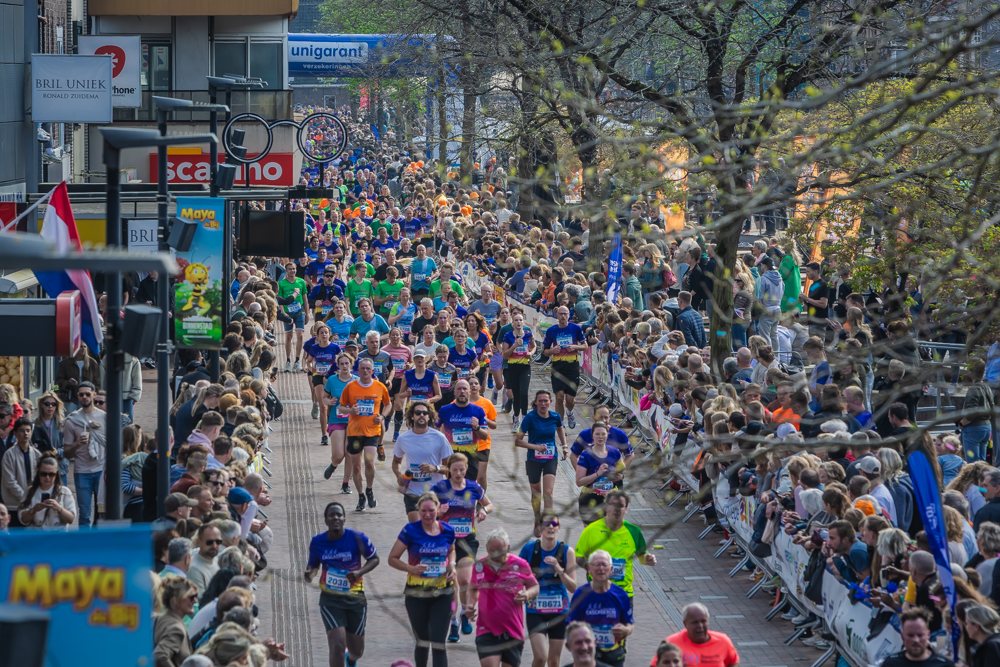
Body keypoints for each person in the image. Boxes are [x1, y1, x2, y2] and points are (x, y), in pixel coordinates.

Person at [305, 501, 381, 667]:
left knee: (357, 650)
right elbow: (313, 565)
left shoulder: (357, 538)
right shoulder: (318, 542)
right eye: (331, 515)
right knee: (338, 644)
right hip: (330, 599)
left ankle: (351, 660)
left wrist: (359, 572)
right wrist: (309, 573)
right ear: (325, 520)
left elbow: (374, 558)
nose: (335, 518)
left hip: (355, 598)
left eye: (339, 515)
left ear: (345, 519)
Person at [387, 492, 458, 667]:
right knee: (423, 642)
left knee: (439, 643)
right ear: (418, 510)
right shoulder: (410, 531)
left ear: (438, 510)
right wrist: (409, 568)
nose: (427, 515)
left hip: (443, 593)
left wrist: (453, 565)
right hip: (416, 595)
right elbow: (392, 558)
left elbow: (451, 550)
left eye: (431, 511)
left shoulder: (447, 530)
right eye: (423, 511)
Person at [432, 453, 494, 642]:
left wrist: (483, 510)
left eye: (461, 470)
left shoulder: (474, 487)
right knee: (451, 584)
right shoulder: (440, 488)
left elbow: (489, 504)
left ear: (466, 470)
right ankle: (453, 622)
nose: (458, 473)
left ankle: (465, 615)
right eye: (455, 469)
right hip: (445, 541)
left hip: (467, 539)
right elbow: (424, 511)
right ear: (448, 469)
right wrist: (436, 511)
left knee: (465, 580)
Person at [465, 527, 540, 667]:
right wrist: (470, 604)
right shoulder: (480, 566)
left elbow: (535, 587)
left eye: (499, 551)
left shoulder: (520, 565)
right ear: (486, 547)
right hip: (486, 629)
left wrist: (527, 594)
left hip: (512, 630)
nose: (495, 555)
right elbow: (473, 588)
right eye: (491, 550)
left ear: (508, 548)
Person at [575, 491, 657, 600]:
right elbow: (579, 556)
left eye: (621, 506)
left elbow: (642, 557)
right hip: (598, 591)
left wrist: (648, 559)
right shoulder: (591, 529)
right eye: (613, 505)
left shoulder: (634, 531)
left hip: (624, 594)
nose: (617, 509)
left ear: (626, 509)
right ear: (606, 506)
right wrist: (590, 568)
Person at [519, 514, 577, 667]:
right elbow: (517, 575)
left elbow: (573, 587)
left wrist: (559, 569)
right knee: (540, 657)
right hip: (535, 610)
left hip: (559, 611)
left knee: (553, 661)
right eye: (547, 523)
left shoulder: (567, 551)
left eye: (554, 524)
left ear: (558, 528)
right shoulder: (529, 549)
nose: (551, 527)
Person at [338, 357, 393, 512]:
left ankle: (369, 489)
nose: (365, 371)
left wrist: (382, 416)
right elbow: (341, 407)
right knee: (356, 467)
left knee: (369, 462)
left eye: (368, 369)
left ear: (372, 371)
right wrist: (350, 411)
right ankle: (361, 495)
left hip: (372, 431)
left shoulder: (380, 386)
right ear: (358, 370)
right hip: (355, 432)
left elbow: (388, 404)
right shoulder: (350, 387)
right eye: (363, 368)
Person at [566, 550, 633, 667]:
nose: (601, 568)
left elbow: (629, 623)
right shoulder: (581, 594)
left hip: (614, 654)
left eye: (604, 565)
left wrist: (626, 630)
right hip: (588, 653)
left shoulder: (621, 594)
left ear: (611, 569)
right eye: (596, 565)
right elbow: (571, 624)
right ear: (589, 569)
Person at [516, 390, 568, 534]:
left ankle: (547, 523)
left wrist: (564, 446)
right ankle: (537, 518)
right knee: (536, 493)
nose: (543, 404)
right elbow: (518, 441)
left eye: (546, 401)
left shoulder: (555, 416)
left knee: (548, 492)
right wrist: (536, 447)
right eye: (540, 401)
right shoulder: (529, 418)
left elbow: (560, 429)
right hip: (534, 459)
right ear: (536, 402)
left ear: (550, 402)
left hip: (551, 458)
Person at [393, 401, 454, 521]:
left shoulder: (439, 437)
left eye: (425, 413)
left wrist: (434, 468)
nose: (421, 415)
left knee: (433, 530)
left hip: (434, 493)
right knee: (416, 531)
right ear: (412, 415)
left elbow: (450, 468)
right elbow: (396, 462)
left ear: (429, 416)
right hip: (412, 492)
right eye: (418, 412)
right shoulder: (403, 438)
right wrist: (398, 474)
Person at [61, 382, 106, 528]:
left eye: (88, 394)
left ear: (94, 394)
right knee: (84, 513)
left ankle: (98, 544)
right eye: (81, 394)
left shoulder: (105, 417)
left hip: (101, 469)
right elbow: (66, 453)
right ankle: (84, 544)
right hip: (82, 471)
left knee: (102, 512)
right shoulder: (72, 420)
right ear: (78, 396)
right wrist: (77, 444)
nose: (85, 397)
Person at [650, 603, 739, 667]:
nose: (700, 626)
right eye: (695, 622)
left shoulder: (723, 641)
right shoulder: (672, 642)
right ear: (685, 624)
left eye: (703, 621)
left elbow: (733, 662)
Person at [541, 306, 587, 429]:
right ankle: (560, 424)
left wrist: (575, 347)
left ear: (568, 315)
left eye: (565, 314)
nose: (562, 316)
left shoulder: (575, 328)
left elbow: (585, 345)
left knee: (570, 400)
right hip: (558, 367)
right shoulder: (552, 331)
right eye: (560, 314)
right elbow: (545, 351)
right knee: (559, 396)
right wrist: (552, 350)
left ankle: (570, 413)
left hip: (572, 367)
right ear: (557, 315)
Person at [435, 379, 489, 482]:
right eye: (459, 389)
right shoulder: (444, 410)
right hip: (451, 456)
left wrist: (477, 428)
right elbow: (434, 429)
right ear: (454, 391)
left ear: (469, 392)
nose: (462, 391)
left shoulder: (478, 410)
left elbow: (485, 436)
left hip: (471, 457)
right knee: (453, 487)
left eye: (465, 389)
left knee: (469, 487)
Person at [575, 423, 625, 524]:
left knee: (611, 533)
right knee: (592, 534)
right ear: (592, 435)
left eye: (603, 434)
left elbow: (623, 472)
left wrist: (619, 476)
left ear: (607, 434)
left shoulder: (615, 452)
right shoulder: (586, 455)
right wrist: (598, 474)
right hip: (590, 499)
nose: (601, 437)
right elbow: (579, 482)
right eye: (597, 434)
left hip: (611, 499)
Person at [324, 354, 359, 492]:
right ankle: (333, 464)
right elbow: (324, 397)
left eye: (347, 363)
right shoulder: (332, 380)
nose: (345, 366)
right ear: (338, 366)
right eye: (342, 364)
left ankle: (346, 484)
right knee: (339, 455)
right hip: (336, 419)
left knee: (349, 453)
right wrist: (329, 402)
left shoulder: (357, 381)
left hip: (353, 421)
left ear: (351, 364)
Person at [305, 323, 342, 445]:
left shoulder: (335, 347)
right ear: (318, 335)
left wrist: (339, 370)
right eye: (322, 333)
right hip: (319, 377)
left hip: (332, 378)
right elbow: (309, 361)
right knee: (323, 406)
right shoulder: (314, 348)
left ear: (329, 334)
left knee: (331, 405)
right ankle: (324, 435)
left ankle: (329, 425)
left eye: (326, 333)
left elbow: (342, 361)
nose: (324, 335)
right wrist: (311, 369)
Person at [880, 607, 955, 666]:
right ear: (902, 636)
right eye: (910, 635)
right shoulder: (891, 663)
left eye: (920, 635)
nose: (916, 640)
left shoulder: (944, 664)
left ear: (928, 635)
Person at [16, 455, 76, 528]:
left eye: (51, 474)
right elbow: (23, 520)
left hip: (58, 535)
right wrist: (34, 510)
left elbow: (71, 519)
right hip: (37, 535)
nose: (47, 477)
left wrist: (59, 508)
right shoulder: (30, 491)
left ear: (56, 474)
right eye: (43, 474)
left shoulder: (64, 491)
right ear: (38, 474)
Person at [1, 418, 41, 525]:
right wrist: (26, 497)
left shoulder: (37, 454)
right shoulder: (9, 455)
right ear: (15, 433)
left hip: (33, 504)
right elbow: (10, 482)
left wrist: (34, 498)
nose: (26, 433)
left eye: (28, 430)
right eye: (22, 431)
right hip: (14, 505)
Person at [501, 312, 536, 430]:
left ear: (523, 322)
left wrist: (530, 353)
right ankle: (516, 418)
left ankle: (525, 419)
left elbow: (534, 346)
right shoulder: (508, 336)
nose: (519, 322)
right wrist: (514, 346)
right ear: (513, 323)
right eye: (516, 320)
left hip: (525, 367)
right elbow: (505, 355)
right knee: (516, 394)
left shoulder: (528, 334)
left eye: (520, 320)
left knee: (524, 393)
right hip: (512, 367)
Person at [154, 576, 198, 667]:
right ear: (175, 601)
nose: (195, 601)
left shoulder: (161, 618)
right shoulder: (176, 628)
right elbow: (159, 656)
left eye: (196, 596)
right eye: (191, 597)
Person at [468, 376, 498, 494]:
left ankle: (481, 502)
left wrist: (486, 420)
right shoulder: (458, 403)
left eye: (476, 383)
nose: (474, 386)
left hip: (483, 444)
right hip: (465, 444)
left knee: (481, 477)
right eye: (471, 384)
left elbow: (494, 425)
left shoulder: (486, 403)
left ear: (480, 387)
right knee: (469, 477)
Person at [279, 261, 309, 371]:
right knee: (288, 336)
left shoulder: (301, 282)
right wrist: (283, 313)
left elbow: (305, 298)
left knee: (300, 335)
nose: (292, 271)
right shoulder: (282, 284)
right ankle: (287, 361)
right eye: (290, 269)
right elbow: (280, 300)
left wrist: (307, 313)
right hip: (288, 312)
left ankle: (297, 361)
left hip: (299, 311)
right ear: (286, 271)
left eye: (294, 269)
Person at [187, 523, 223, 595]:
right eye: (209, 542)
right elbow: (201, 599)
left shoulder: (218, 561)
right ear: (198, 542)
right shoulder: (194, 568)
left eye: (218, 542)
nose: (214, 545)